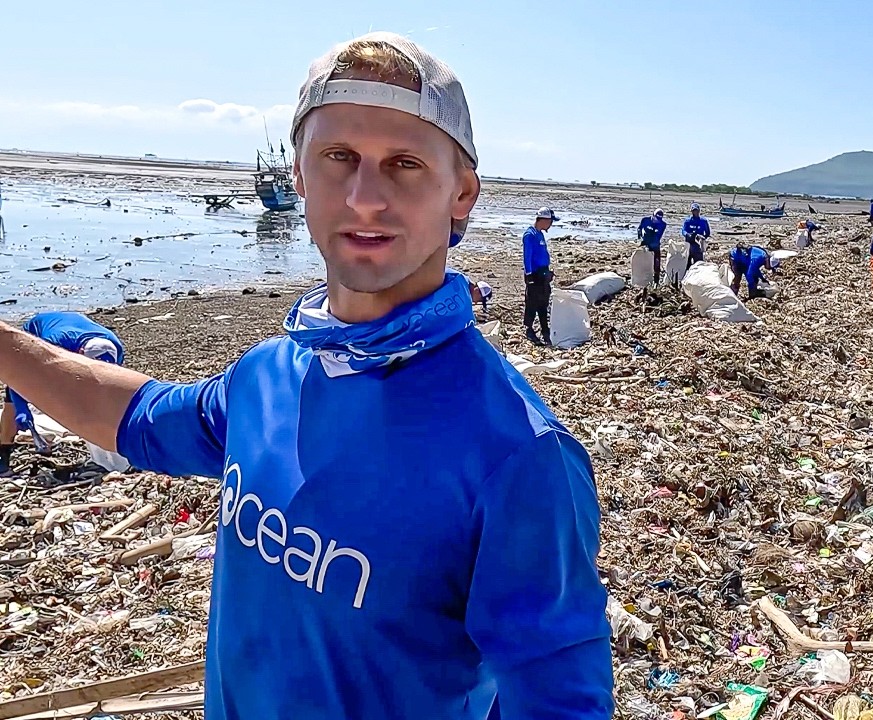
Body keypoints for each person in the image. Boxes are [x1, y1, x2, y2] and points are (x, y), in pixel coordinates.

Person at [0, 33, 613, 720]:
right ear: (298, 176)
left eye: (405, 163)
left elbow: (559, 702)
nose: (365, 198)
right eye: (338, 157)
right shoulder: (268, 377)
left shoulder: (518, 455)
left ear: (461, 193)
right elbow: (138, 417)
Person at [0, 312, 125, 474]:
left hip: (73, 327)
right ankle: (4, 449)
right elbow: (19, 372)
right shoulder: (55, 342)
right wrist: (21, 407)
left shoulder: (115, 348)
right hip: (39, 330)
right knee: (18, 396)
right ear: (80, 352)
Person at [523, 207, 558, 345]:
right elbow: (527, 256)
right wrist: (529, 275)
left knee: (543, 302)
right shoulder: (529, 235)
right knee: (532, 302)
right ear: (543, 220)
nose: (551, 224)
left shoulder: (540, 234)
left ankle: (545, 330)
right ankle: (529, 329)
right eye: (550, 221)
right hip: (535, 274)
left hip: (543, 273)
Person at [637, 209, 666, 285]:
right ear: (653, 215)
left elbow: (658, 236)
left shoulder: (662, 224)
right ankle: (642, 278)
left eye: (659, 219)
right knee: (643, 261)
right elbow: (639, 229)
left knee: (656, 263)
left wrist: (649, 240)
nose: (657, 221)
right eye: (656, 218)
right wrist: (640, 237)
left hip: (655, 244)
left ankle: (656, 280)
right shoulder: (645, 220)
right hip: (644, 242)